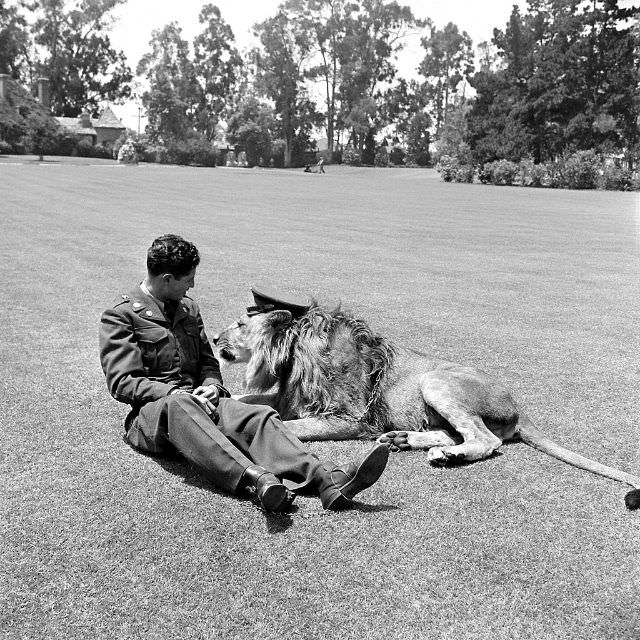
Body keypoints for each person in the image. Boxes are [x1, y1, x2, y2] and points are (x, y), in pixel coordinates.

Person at [99, 234, 389, 513]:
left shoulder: (188, 309)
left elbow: (207, 363)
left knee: (259, 417)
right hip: (153, 416)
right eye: (188, 280)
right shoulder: (122, 315)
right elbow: (122, 382)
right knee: (180, 405)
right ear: (167, 279)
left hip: (202, 403)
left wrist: (212, 386)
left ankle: (327, 480)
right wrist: (175, 393)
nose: (193, 285)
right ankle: (257, 480)